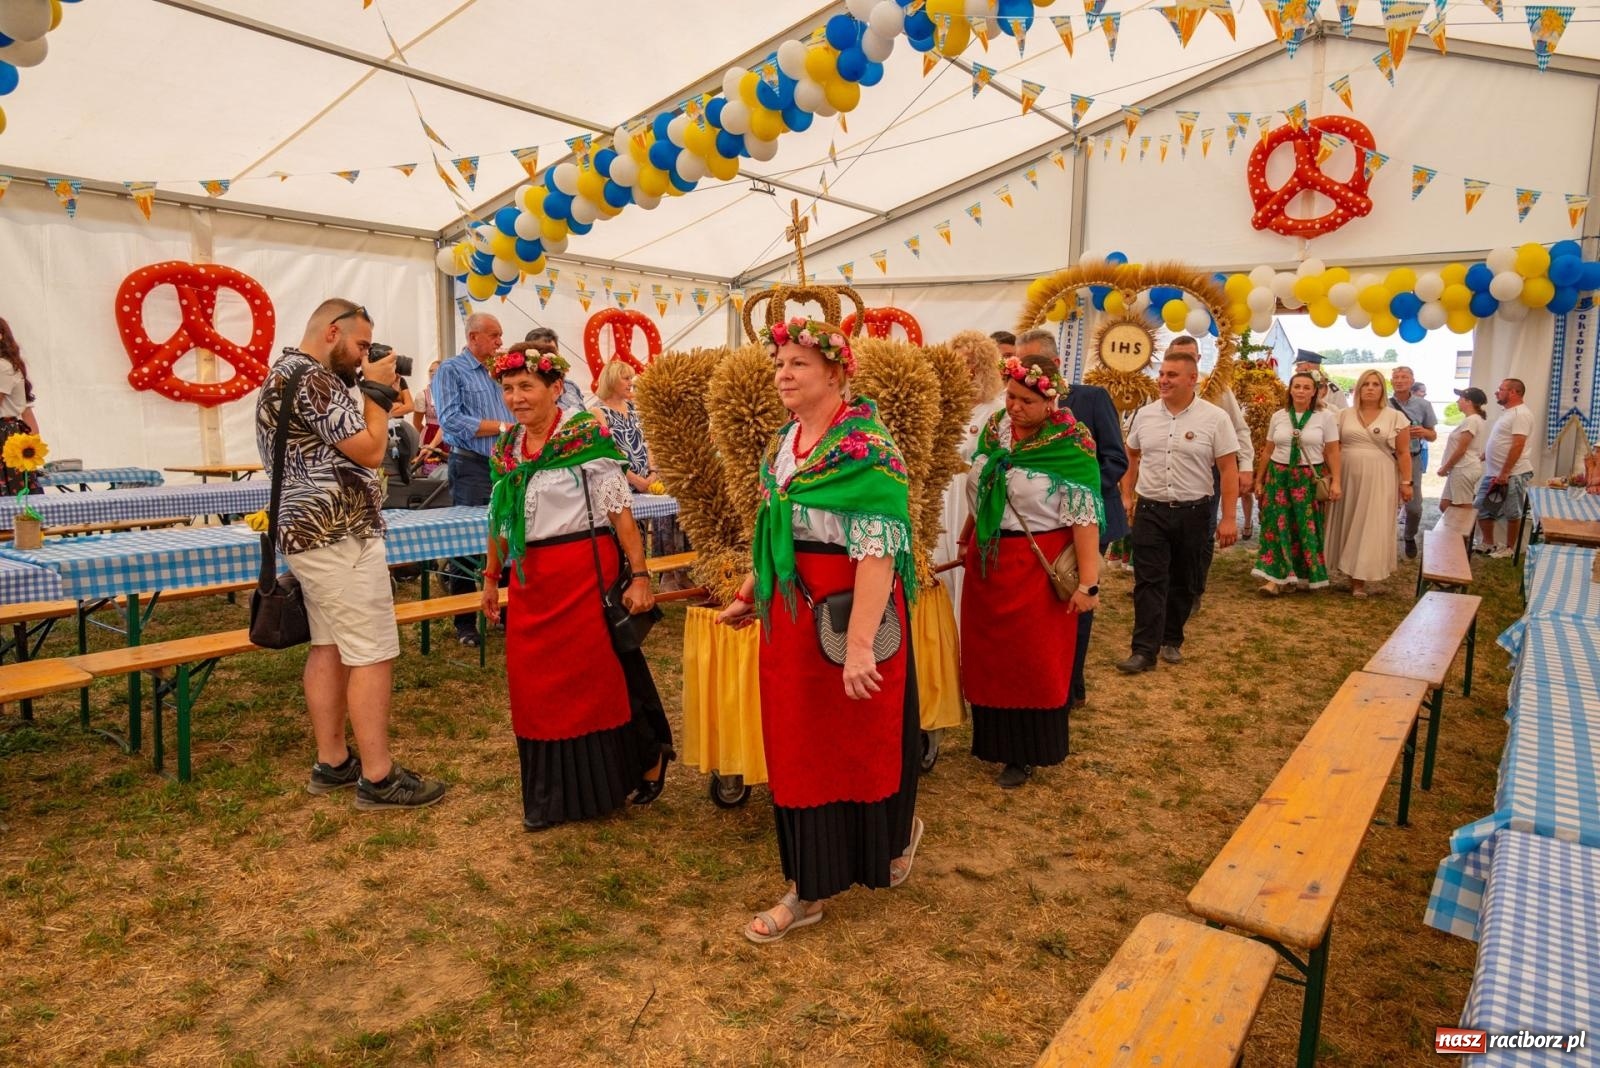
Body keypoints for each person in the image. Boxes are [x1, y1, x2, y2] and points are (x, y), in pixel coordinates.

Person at [716, 316, 922, 944]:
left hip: (844, 615)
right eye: (780, 363)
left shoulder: (870, 450)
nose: (783, 373)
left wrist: (859, 645)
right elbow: (777, 525)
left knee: (856, 742)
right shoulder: (787, 440)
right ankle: (810, 886)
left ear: (836, 372)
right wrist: (754, 590)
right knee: (800, 748)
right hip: (790, 618)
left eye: (798, 363)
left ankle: (871, 847)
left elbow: (877, 552)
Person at [255, 299, 447, 809]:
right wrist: (378, 392)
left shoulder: (285, 375)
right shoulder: (310, 379)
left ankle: (334, 761)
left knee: (331, 646)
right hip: (336, 531)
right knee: (372, 651)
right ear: (332, 332)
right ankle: (379, 778)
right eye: (361, 345)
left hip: (314, 532)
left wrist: (369, 391)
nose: (364, 355)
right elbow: (367, 448)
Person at [479, 343, 671, 831]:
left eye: (527, 387)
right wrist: (489, 577)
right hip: (531, 581)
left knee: (594, 683)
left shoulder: (584, 435)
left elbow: (618, 509)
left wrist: (641, 574)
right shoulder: (505, 449)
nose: (517, 398)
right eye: (508, 389)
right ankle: (550, 796)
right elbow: (500, 518)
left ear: (555, 388)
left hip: (583, 576)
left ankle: (618, 775)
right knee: (534, 689)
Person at [959, 354, 1102, 788]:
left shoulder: (1072, 442)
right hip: (989, 562)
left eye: (1025, 400)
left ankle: (1026, 754)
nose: (1014, 406)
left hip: (1037, 566)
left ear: (1050, 400)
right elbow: (985, 490)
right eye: (1010, 396)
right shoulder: (996, 428)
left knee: (1032, 659)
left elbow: (1085, 518)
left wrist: (1089, 584)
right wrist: (967, 536)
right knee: (990, 656)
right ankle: (993, 743)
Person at [1016, 328, 1126, 711]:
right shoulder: (1012, 412)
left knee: (1075, 596)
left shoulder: (1092, 400)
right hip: (1039, 527)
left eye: (1028, 364)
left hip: (1087, 520)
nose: (1020, 371)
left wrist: (1079, 492)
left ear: (1055, 367)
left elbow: (1116, 458)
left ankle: (1071, 683)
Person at [1116, 341, 1239, 674]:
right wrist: (1127, 494)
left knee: (1185, 579)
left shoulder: (1215, 419)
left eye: (1172, 375)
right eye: (1161, 373)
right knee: (1148, 580)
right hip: (1151, 510)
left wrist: (1228, 518)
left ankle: (1172, 637)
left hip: (1194, 512)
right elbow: (1131, 455)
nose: (1163, 380)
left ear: (1192, 379)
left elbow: (1228, 468)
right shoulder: (1145, 415)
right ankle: (1143, 650)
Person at [435, 312, 513, 646]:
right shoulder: (451, 370)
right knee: (467, 544)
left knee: (507, 536)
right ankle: (465, 623)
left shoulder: (502, 371)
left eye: (500, 335)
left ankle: (508, 614)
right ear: (473, 338)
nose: (499, 342)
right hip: (472, 466)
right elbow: (450, 421)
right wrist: (501, 427)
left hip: (506, 466)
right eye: (494, 336)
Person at [1165, 336, 1252, 616]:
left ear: (1198, 361)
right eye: (1177, 355)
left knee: (1200, 533)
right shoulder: (1162, 387)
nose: (1183, 361)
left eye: (1189, 356)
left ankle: (1193, 589)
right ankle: (1162, 585)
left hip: (1208, 470)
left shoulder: (1215, 387)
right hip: (1170, 469)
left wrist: (1246, 465)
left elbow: (1239, 428)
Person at [935, 330, 1007, 617]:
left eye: (965, 362)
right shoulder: (944, 408)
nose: (957, 369)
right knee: (939, 566)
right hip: (942, 496)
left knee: (966, 573)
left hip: (971, 499)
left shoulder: (996, 412)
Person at [1323, 369, 1412, 596]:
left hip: (1380, 475)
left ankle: (1359, 578)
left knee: (1370, 522)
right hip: (1347, 474)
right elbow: (1332, 447)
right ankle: (1342, 567)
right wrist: (1332, 475)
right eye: (1366, 384)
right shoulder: (1342, 415)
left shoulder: (1396, 417)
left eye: (1376, 384)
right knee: (1348, 519)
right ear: (1359, 388)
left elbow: (1403, 453)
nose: (1371, 388)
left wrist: (1406, 482)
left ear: (1383, 389)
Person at [1251, 372, 1341, 594]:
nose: (1301, 391)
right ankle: (1275, 579)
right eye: (1297, 386)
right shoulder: (1279, 416)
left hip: (1307, 479)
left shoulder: (1325, 417)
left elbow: (1332, 451)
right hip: (1278, 476)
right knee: (1276, 525)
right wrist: (1259, 479)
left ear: (1315, 391)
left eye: (1306, 387)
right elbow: (1268, 450)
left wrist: (1336, 481)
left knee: (1306, 526)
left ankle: (1301, 574)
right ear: (1290, 390)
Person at [1474, 378, 1535, 558]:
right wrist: (1487, 453)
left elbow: (1518, 445)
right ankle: (1488, 543)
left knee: (1512, 511)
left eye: (1501, 389)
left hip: (1512, 474)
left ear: (1514, 392)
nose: (1496, 392)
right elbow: (1502, 439)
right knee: (1481, 507)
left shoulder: (1521, 414)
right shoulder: (1508, 412)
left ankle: (1509, 548)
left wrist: (1505, 473)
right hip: (1495, 472)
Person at [588, 360, 662, 495]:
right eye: (626, 379)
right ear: (611, 381)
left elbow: (650, 443)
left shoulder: (636, 408)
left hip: (648, 485)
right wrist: (636, 480)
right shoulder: (598, 412)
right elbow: (606, 453)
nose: (631, 383)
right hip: (620, 489)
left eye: (631, 378)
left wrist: (653, 473)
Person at [1388, 366, 1436, 559]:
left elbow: (1432, 435)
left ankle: (1409, 536)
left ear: (1411, 381)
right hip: (1387, 458)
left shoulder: (1423, 405)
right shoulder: (1383, 404)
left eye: (1404, 377)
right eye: (1396, 377)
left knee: (1414, 507)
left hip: (1412, 457)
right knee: (1385, 503)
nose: (1400, 380)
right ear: (1391, 381)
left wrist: (1424, 432)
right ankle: (1384, 541)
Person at [0, 316, 42, 495]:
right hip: (11, 433)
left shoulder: (3, 366)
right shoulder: (9, 364)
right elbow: (26, 410)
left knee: (12, 492)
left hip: (4, 434)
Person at [1437, 387, 1487, 518]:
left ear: (1468, 402)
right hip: (1460, 468)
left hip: (1463, 468)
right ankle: (1453, 534)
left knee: (1462, 508)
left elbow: (1461, 449)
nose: (1457, 401)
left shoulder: (1472, 420)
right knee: (1445, 505)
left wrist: (1445, 468)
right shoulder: (1472, 419)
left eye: (1460, 398)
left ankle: (1465, 536)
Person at [526, 326, 586, 411]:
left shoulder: (570, 386)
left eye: (553, 351)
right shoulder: (526, 390)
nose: (549, 357)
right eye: (544, 351)